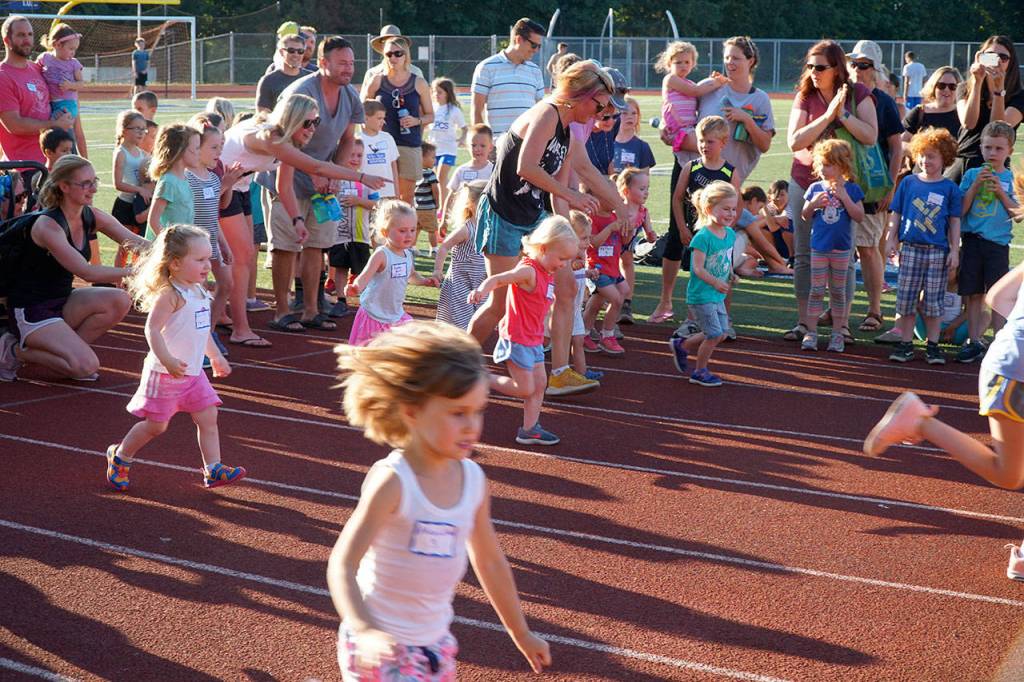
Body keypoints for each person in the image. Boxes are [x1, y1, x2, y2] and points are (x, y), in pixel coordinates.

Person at [327, 321, 551, 678]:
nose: (472, 426)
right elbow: (343, 563)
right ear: (412, 412)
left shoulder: (473, 481)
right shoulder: (394, 481)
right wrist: (364, 628)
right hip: (380, 644)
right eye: (457, 413)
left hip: (435, 644)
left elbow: (490, 561)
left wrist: (520, 632)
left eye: (478, 410)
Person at [467, 60, 627, 398]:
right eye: (599, 106)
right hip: (503, 215)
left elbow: (580, 174)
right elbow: (526, 167)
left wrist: (618, 208)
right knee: (499, 304)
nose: (599, 114)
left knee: (566, 289)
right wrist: (571, 196)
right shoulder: (547, 113)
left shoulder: (569, 129)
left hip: (533, 217)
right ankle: (457, 363)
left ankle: (559, 372)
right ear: (581, 96)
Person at [863, 258, 1024, 581]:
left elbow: (998, 297)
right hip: (1014, 374)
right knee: (1008, 474)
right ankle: (920, 422)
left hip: (1009, 364)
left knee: (1012, 472)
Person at [258, 37, 387, 335]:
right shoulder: (301, 91)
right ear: (323, 63)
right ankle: (282, 310)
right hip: (287, 176)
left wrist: (334, 175)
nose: (349, 69)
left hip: (323, 180)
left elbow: (348, 140)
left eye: (352, 63)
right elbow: (284, 139)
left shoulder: (350, 96)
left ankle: (311, 310)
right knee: (286, 245)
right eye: (342, 63)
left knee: (317, 244)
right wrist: (316, 171)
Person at [105, 224, 246, 492]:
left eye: (208, 259)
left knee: (208, 416)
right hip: (165, 374)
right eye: (200, 260)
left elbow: (202, 330)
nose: (208, 265)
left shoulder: (200, 292)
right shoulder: (171, 295)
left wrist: (215, 356)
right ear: (176, 263)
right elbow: (152, 330)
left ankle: (213, 468)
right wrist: (168, 360)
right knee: (156, 426)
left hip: (193, 374)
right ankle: (121, 456)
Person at [0, 155, 144, 382]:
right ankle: (12, 350)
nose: (93, 189)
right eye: (85, 184)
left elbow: (138, 244)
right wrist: (137, 273)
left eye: (94, 181)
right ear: (64, 186)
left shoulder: (90, 215)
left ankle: (65, 353)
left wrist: (176, 250)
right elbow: (86, 272)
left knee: (119, 300)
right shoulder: (47, 226)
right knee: (87, 367)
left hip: (62, 300)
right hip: (31, 309)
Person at [784, 39, 877, 344]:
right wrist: (826, 116)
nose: (814, 72)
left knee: (844, 257)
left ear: (837, 68)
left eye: (820, 67)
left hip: (845, 185)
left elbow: (870, 135)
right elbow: (794, 141)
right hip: (805, 182)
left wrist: (842, 114)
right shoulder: (805, 96)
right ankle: (804, 322)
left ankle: (842, 325)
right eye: (810, 66)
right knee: (803, 255)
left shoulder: (858, 93)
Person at [469, 215, 578, 444]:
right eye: (561, 258)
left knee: (539, 385)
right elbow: (499, 279)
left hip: (534, 340)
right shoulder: (528, 271)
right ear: (543, 248)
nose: (563, 265)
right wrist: (481, 290)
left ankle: (529, 429)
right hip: (517, 338)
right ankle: (481, 377)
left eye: (568, 260)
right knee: (525, 388)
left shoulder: (548, 273)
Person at [840, 40, 904, 338]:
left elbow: (896, 147)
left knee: (867, 249)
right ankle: (838, 308)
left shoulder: (883, 101)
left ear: (875, 69)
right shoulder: (841, 97)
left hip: (872, 187)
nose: (856, 69)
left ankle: (875, 310)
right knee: (839, 249)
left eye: (863, 64)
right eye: (853, 63)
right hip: (842, 184)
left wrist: (890, 186)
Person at [884, 127, 962, 364]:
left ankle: (933, 346)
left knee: (934, 302)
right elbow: (896, 213)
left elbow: (954, 221)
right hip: (910, 248)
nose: (925, 161)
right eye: (922, 155)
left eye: (932, 156)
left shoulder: (950, 188)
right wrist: (891, 239)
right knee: (906, 300)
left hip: (937, 252)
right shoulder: (908, 182)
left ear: (944, 158)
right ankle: (906, 344)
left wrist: (954, 250)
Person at [654, 116, 739, 329]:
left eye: (710, 141)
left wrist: (727, 231)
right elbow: (677, 198)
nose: (704, 145)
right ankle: (692, 320)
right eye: (701, 140)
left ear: (723, 142)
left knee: (722, 274)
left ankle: (725, 319)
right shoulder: (691, 167)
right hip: (696, 233)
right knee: (698, 274)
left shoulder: (729, 171)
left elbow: (736, 205)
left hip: (719, 236)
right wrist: (682, 228)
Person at [956, 120, 1019, 363]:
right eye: (988, 147)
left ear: (1009, 151)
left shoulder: (1011, 178)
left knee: (998, 294)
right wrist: (975, 186)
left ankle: (998, 341)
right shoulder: (971, 174)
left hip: (997, 245)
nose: (992, 153)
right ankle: (973, 341)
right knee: (973, 294)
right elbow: (961, 209)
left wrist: (1000, 192)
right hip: (972, 241)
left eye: (999, 148)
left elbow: (1018, 214)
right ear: (981, 147)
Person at [668, 180, 738, 387]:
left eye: (733, 209)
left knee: (722, 333)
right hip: (702, 295)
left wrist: (731, 273)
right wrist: (716, 282)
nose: (731, 214)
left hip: (717, 295)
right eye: (726, 209)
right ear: (709, 209)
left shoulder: (730, 234)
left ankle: (683, 345)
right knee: (714, 334)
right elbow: (697, 268)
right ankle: (699, 371)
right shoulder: (703, 237)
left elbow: (726, 259)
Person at [800, 139, 865, 353]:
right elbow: (804, 215)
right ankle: (811, 332)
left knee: (838, 291)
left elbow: (859, 216)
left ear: (841, 165)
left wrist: (845, 197)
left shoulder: (852, 189)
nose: (822, 169)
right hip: (819, 247)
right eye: (820, 164)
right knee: (816, 290)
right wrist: (813, 204)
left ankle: (837, 333)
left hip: (841, 249)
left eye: (827, 165)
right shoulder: (815, 188)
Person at [344, 200, 438, 346]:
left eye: (412, 230)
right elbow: (364, 277)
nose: (409, 235)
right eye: (402, 231)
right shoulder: (382, 254)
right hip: (374, 314)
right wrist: (355, 287)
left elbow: (411, 275)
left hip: (396, 315)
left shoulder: (407, 254)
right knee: (370, 353)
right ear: (385, 232)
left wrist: (424, 281)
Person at [187, 115, 244, 346]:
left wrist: (224, 245)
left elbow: (217, 210)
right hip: (193, 245)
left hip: (212, 241)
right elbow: (194, 206)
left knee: (227, 283)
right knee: (199, 292)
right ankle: (198, 337)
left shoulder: (212, 176)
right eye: (213, 147)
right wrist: (226, 184)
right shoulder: (188, 177)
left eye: (221, 146)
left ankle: (208, 331)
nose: (219, 151)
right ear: (196, 148)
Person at [363, 34, 434, 205]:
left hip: (408, 144)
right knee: (381, 196)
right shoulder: (376, 80)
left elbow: (430, 115)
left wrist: (416, 121)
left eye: (398, 53)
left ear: (406, 55)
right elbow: (361, 109)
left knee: (406, 199)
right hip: (380, 145)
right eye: (389, 54)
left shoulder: (419, 82)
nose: (393, 58)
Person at [0, 16, 73, 169]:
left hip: (53, 162)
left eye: (30, 34)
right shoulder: (3, 76)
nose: (27, 40)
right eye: (21, 35)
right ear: (7, 40)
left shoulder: (37, 68)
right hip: (25, 167)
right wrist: (54, 124)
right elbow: (14, 125)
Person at [951, 36, 1023, 182]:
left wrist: (999, 91)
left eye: (1003, 57)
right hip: (965, 161)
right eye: (990, 56)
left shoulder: (1019, 96)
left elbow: (997, 129)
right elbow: (968, 123)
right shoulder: (964, 88)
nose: (997, 61)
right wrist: (977, 82)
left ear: (1011, 63)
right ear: (981, 57)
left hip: (997, 166)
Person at [470, 18, 546, 139]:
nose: (536, 50)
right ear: (518, 39)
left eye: (539, 46)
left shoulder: (535, 71)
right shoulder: (486, 67)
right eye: (533, 45)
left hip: (527, 145)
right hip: (496, 145)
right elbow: (476, 110)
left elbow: (540, 111)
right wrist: (482, 143)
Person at [655, 41, 728, 153]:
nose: (683, 66)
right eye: (678, 62)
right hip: (677, 130)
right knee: (710, 149)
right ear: (669, 64)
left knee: (709, 149)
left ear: (693, 63)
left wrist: (711, 81)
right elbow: (695, 91)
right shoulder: (671, 79)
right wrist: (717, 82)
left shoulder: (690, 83)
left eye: (687, 62)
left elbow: (699, 99)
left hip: (689, 128)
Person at [580, 185, 628, 355]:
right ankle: (607, 335)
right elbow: (593, 243)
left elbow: (624, 241)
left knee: (599, 302)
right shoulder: (591, 218)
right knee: (616, 299)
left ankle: (584, 333)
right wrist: (610, 228)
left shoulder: (615, 217)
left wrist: (629, 228)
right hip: (598, 269)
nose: (618, 198)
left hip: (613, 268)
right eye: (612, 195)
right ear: (598, 198)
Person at [434, 180, 487, 330]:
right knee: (460, 323)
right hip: (461, 283)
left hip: (481, 282)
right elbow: (444, 247)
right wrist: (438, 270)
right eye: (486, 203)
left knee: (481, 319)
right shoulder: (467, 229)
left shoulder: (490, 227)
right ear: (471, 204)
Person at [37, 23, 85, 159]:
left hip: (67, 104)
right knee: (49, 131)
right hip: (51, 103)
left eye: (75, 49)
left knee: (57, 131)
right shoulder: (45, 58)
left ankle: (70, 156)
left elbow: (81, 84)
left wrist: (70, 85)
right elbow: (33, 69)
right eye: (71, 49)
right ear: (57, 45)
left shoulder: (74, 63)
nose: (73, 52)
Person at [615, 167, 655, 326]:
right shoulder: (619, 210)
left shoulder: (643, 212)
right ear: (626, 191)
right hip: (614, 245)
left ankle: (626, 301)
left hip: (628, 246)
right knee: (610, 269)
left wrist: (651, 236)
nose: (646, 192)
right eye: (642, 189)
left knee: (628, 264)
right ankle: (596, 296)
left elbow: (649, 232)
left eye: (647, 188)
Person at [147, 124, 198, 239]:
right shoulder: (169, 181)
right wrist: (169, 243)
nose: (199, 152)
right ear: (181, 150)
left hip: (182, 244)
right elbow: (153, 220)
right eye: (196, 148)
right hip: (168, 247)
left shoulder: (184, 178)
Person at [111, 110, 150, 265]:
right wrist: (139, 189)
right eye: (137, 128)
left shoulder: (143, 154)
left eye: (143, 129)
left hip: (140, 205)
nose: (141, 132)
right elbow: (117, 184)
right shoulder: (121, 153)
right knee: (124, 247)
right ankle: (118, 276)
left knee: (139, 246)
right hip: (126, 205)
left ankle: (135, 275)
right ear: (124, 130)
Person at [440, 123, 493, 226]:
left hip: (486, 222)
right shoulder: (461, 170)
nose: (477, 149)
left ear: (490, 147)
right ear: (467, 146)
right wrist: (444, 221)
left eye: (482, 145)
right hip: (464, 221)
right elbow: (451, 197)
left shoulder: (493, 171)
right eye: (473, 145)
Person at [428, 77, 465, 210]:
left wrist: (461, 139)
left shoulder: (454, 110)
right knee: (437, 180)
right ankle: (452, 200)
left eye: (439, 92)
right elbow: (426, 124)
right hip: (434, 150)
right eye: (434, 91)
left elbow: (465, 128)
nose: (436, 95)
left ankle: (443, 209)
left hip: (448, 149)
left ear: (447, 93)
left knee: (440, 177)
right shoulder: (432, 109)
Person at [902, 67, 963, 141]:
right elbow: (903, 142)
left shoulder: (964, 115)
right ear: (933, 87)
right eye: (941, 86)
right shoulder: (919, 113)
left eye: (952, 86)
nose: (946, 89)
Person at [359, 25, 424, 90]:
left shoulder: (416, 73)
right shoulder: (372, 74)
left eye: (395, 41)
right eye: (385, 41)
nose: (390, 44)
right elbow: (364, 96)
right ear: (382, 46)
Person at [255, 34, 306, 114]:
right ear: (281, 52)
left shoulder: (311, 77)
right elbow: (262, 113)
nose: (296, 55)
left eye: (300, 51)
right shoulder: (268, 81)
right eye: (291, 50)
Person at [359, 99, 399, 198]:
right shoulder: (357, 139)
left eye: (383, 118)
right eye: (379, 118)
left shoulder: (387, 138)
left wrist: (396, 192)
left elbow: (394, 167)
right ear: (365, 118)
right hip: (365, 194)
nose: (383, 122)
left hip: (387, 193)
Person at [612, 96, 655, 173]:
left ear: (638, 116)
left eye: (634, 113)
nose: (630, 117)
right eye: (624, 113)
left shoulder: (643, 146)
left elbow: (644, 177)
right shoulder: (606, 144)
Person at [413, 141, 439, 254]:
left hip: (416, 207)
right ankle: (434, 249)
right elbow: (435, 190)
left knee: (416, 228)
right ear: (422, 158)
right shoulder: (430, 173)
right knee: (432, 229)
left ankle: (412, 247)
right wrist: (437, 202)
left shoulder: (415, 172)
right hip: (428, 207)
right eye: (432, 157)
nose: (435, 160)